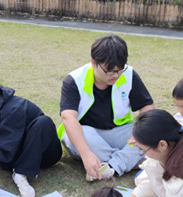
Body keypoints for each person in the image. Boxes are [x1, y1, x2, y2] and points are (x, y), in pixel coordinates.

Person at [58, 35, 155, 182]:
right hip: (88, 135)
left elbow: (147, 107)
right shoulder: (74, 80)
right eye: (109, 71)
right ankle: (135, 159)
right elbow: (68, 118)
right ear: (94, 62)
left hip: (119, 132)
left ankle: (111, 167)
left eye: (119, 70)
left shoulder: (129, 74)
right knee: (78, 135)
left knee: (152, 130)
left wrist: (139, 134)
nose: (115, 75)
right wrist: (86, 154)